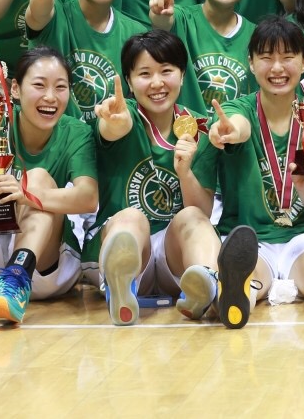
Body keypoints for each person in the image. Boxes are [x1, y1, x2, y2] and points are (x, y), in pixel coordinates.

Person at [189, 17, 304, 325]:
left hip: (303, 234)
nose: (277, 68)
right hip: (248, 238)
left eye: (287, 57)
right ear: (251, 63)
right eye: (266, 57)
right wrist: (226, 131)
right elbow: (237, 126)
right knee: (250, 272)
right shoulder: (239, 110)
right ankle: (236, 296)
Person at [0, 47, 99, 329]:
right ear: (15, 89)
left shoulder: (76, 132)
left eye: (60, 87)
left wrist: (28, 194)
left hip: (39, 269)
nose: (50, 97)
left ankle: (16, 276)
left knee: (38, 180)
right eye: (39, 85)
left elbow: (88, 197)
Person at [87, 30, 214, 325]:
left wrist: (184, 171)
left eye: (166, 71)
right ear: (129, 82)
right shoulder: (122, 113)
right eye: (144, 74)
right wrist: (114, 123)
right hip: (132, 246)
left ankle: (206, 281)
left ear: (182, 76)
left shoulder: (199, 127)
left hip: (175, 255)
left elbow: (204, 211)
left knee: (193, 216)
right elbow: (113, 129)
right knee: (132, 217)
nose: (157, 83)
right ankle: (121, 285)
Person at [24, 0, 146, 125]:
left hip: (107, 142)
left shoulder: (136, 33)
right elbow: (38, 14)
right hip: (54, 141)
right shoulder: (57, 10)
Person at [149, 0, 256, 114]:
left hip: (236, 135)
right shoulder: (182, 19)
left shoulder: (257, 36)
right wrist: (158, 11)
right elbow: (162, 22)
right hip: (185, 136)